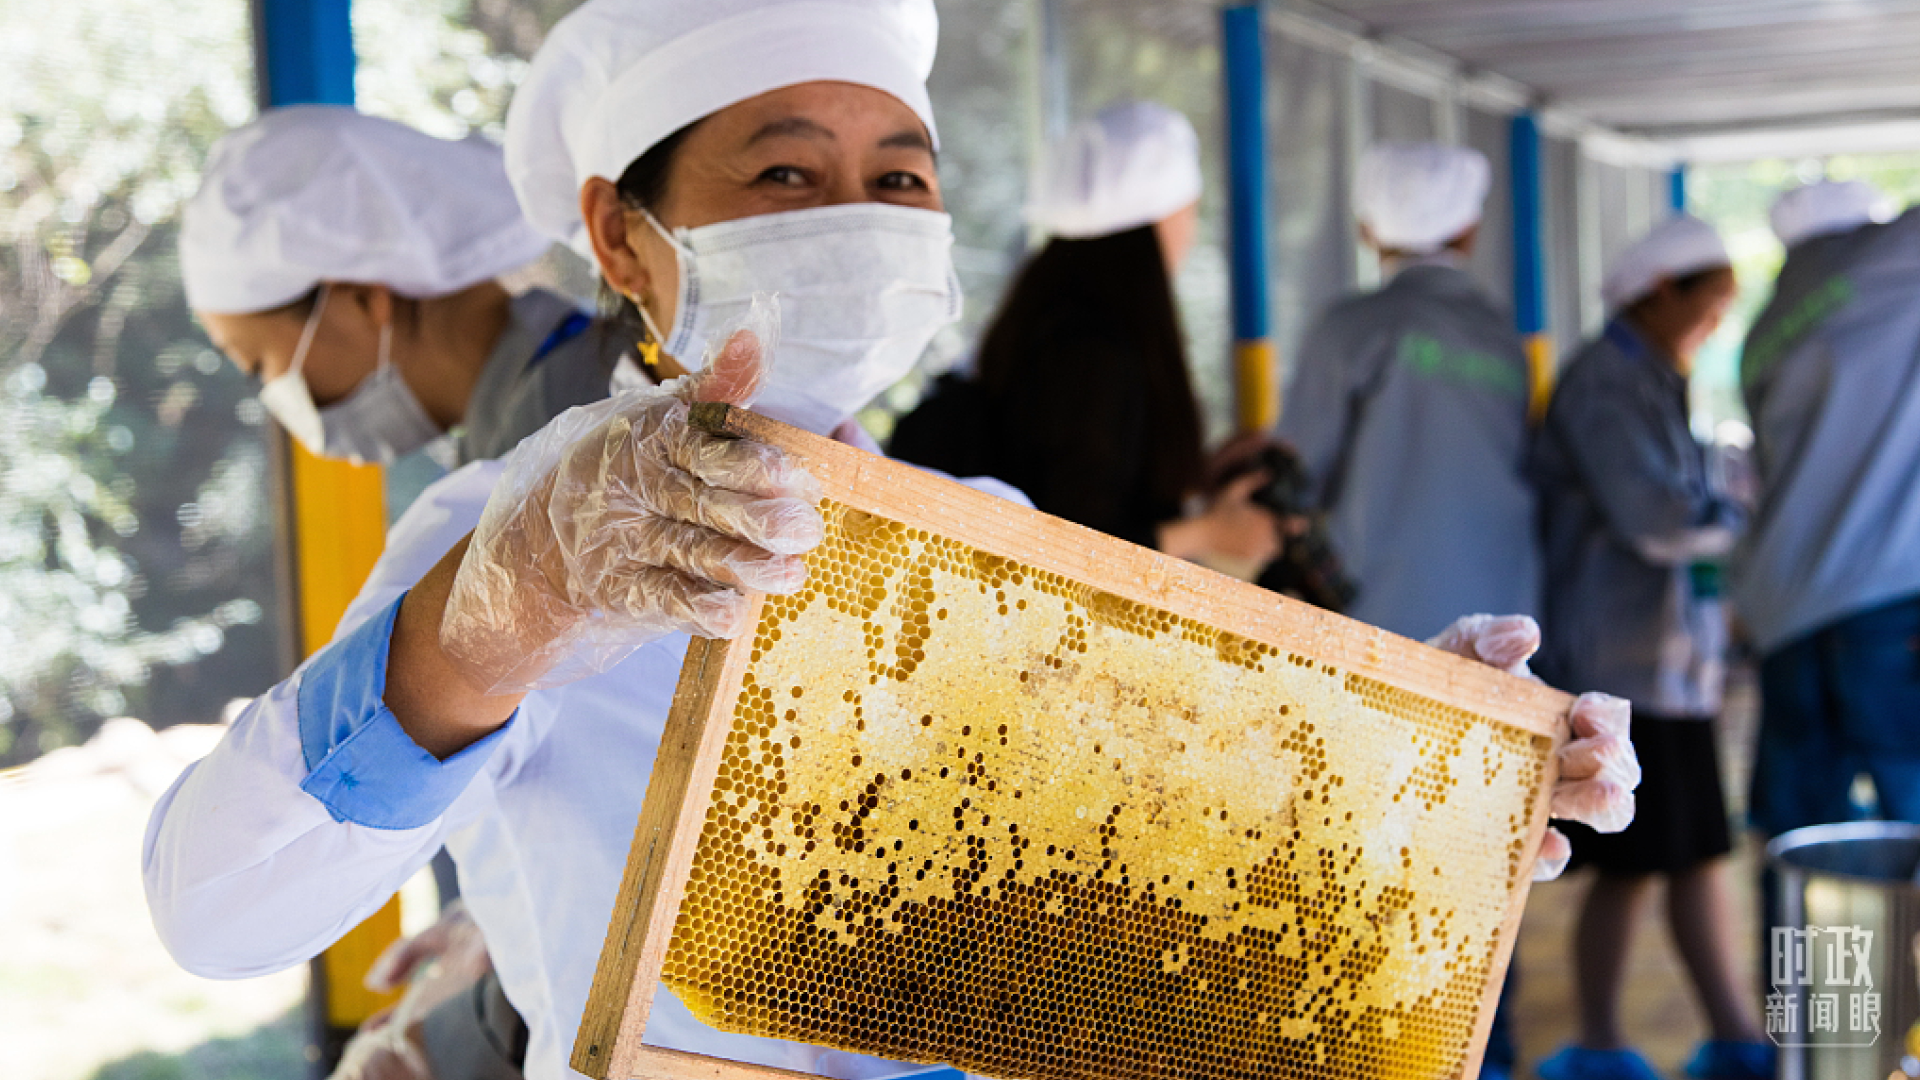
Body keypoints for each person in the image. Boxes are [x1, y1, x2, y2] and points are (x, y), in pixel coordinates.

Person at [143, 5, 1639, 1080]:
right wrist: (500, 623)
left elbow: (1162, 882)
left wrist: (1429, 766)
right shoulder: (523, 538)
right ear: (619, 238)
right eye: (782, 172)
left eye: (900, 178)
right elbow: (215, 907)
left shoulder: (990, 537)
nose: (854, 218)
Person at [1530, 217, 1770, 1080]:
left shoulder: (1652, 377)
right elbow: (1659, 519)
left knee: (1690, 851)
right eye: (1709, 310)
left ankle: (1735, 1039)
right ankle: (1606, 1045)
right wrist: (1743, 517)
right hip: (1626, 668)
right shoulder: (1604, 382)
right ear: (1660, 293)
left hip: (1671, 665)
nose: (1713, 331)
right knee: (1637, 860)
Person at [889, 100, 1280, 568]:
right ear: (1157, 219)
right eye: (1189, 211)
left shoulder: (1052, 311)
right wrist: (1208, 532)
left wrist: (1200, 475)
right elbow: (1075, 539)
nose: (1191, 233)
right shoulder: (1095, 352)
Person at [182, 106, 622, 468]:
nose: (275, 399)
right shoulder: (593, 358)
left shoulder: (552, 445)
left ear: (362, 300)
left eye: (257, 365)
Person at [1278, 142, 1540, 641]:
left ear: (1367, 231)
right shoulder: (1504, 338)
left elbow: (1297, 470)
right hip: (1506, 621)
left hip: (1382, 623)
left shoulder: (1350, 328)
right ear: (1468, 231)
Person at [1738, 180, 1920, 838]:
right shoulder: (1894, 261)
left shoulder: (1766, 325)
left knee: (1802, 832)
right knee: (1911, 801)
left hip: (1785, 609)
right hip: (1888, 595)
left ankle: (1804, 946)